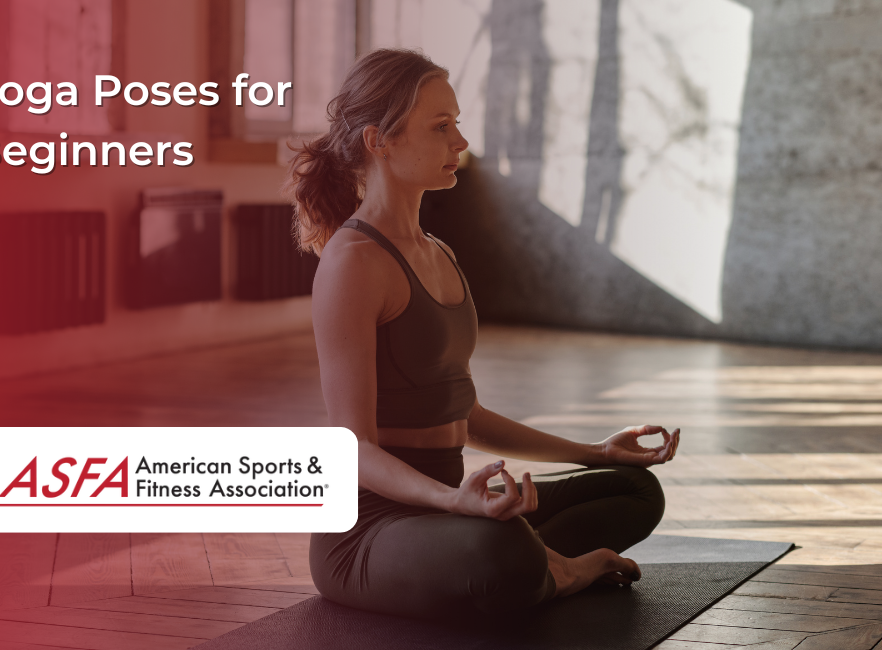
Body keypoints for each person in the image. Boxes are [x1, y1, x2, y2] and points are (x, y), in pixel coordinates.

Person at [284, 48, 679, 620]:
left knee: (632, 489)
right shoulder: (353, 264)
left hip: (449, 513)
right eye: (441, 126)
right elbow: (352, 453)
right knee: (502, 548)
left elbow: (462, 414)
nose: (460, 142)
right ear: (379, 141)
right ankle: (558, 569)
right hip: (369, 533)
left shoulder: (438, 253)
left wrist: (595, 451)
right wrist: (452, 501)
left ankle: (535, 563)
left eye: (457, 123)